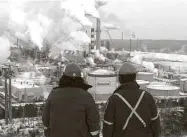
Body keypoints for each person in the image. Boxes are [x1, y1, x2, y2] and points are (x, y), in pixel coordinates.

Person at [102, 62, 161, 137]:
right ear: (134, 78)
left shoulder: (114, 100)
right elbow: (156, 125)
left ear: (120, 79)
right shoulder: (147, 97)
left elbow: (108, 127)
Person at [42, 63, 100, 137]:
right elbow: (93, 122)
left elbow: (45, 119)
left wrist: (48, 133)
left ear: (63, 77)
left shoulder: (53, 94)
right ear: (80, 79)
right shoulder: (86, 96)